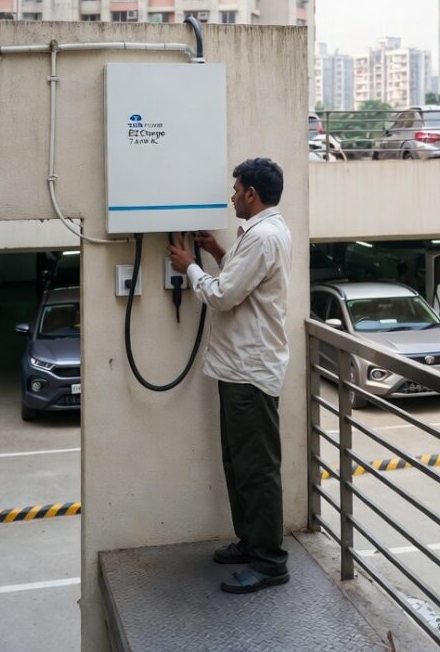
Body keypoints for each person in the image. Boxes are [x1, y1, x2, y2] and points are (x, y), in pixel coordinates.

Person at [168, 157, 292, 595]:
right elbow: (246, 281)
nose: (232, 195)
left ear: (251, 194)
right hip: (239, 368)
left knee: (256, 469)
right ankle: (251, 542)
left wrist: (190, 266)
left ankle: (270, 562)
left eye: (236, 188)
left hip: (250, 372)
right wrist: (221, 252)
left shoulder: (262, 237)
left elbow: (222, 295)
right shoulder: (262, 234)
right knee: (239, 463)